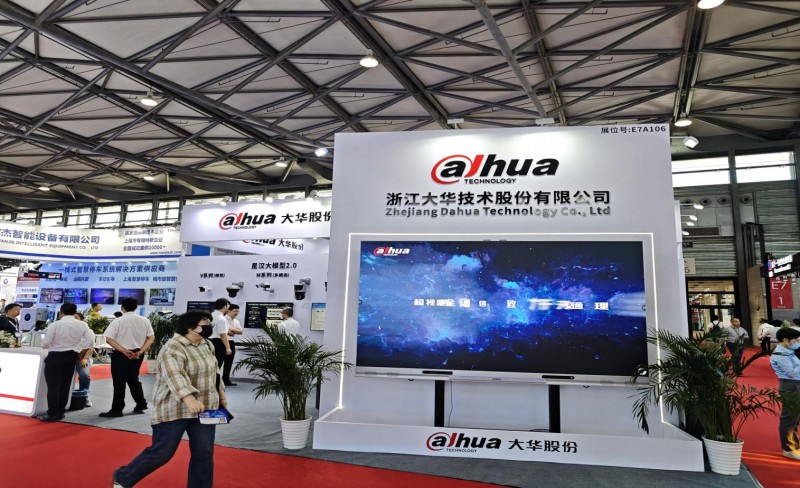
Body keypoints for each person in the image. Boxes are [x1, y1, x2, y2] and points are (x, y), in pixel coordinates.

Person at [112, 311, 226, 488]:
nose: (209, 327)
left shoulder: (207, 344)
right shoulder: (172, 347)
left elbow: (215, 373)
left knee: (204, 453)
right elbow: (175, 376)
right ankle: (123, 477)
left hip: (205, 407)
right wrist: (189, 399)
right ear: (190, 327)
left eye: (209, 323)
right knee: (162, 452)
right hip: (174, 407)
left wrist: (221, 396)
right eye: (205, 324)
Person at [100, 298, 154, 418]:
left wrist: (123, 350)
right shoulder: (145, 320)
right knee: (133, 379)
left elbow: (108, 339)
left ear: (122, 308)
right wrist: (141, 351)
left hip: (121, 355)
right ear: (136, 307)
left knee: (119, 382)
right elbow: (151, 337)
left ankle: (117, 409)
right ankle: (141, 403)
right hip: (137, 354)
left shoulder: (118, 321)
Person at [40, 303, 94, 422]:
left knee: (53, 386)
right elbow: (90, 342)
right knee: (65, 386)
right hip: (71, 356)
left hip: (55, 356)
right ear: (75, 312)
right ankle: (60, 412)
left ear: (61, 312)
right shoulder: (82, 324)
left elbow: (45, 342)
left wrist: (47, 345)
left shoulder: (55, 324)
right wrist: (80, 351)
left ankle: (52, 413)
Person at [769, 327, 800, 461]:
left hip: (796, 384)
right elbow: (791, 373)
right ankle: (788, 449)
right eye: (796, 340)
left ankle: (794, 445)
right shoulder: (779, 354)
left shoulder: (789, 351)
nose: (798, 342)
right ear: (786, 340)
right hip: (791, 386)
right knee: (789, 418)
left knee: (795, 418)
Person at [73, 311, 94, 407]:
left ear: (82, 319)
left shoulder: (89, 332)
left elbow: (91, 347)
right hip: (69, 357)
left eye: (76, 317)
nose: (74, 319)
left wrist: (85, 358)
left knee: (84, 375)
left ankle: (85, 396)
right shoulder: (68, 330)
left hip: (82, 358)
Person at [209, 298, 231, 373]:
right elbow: (223, 334)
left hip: (208, 342)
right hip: (218, 344)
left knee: (210, 365)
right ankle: (216, 380)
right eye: (228, 306)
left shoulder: (210, 315)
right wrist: (228, 348)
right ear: (225, 306)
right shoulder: (222, 318)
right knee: (217, 366)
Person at [222, 304, 242, 387]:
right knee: (218, 363)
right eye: (235, 311)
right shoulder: (222, 319)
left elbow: (240, 332)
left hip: (231, 342)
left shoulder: (236, 321)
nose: (236, 313)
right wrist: (233, 330)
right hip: (221, 342)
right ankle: (215, 381)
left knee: (229, 363)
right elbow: (228, 333)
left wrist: (229, 328)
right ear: (229, 311)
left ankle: (225, 380)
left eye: (238, 311)